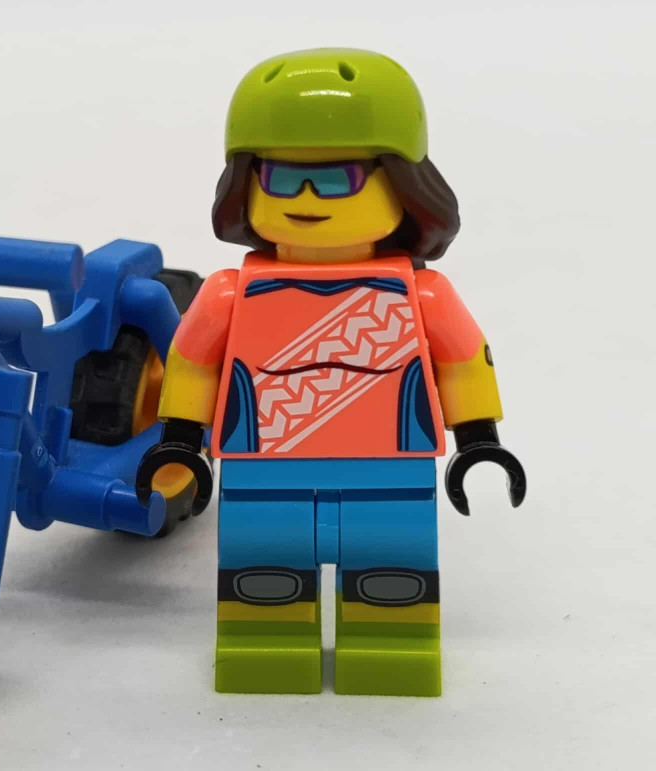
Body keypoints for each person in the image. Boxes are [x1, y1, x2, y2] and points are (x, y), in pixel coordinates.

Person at [136, 48, 526, 696]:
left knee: (390, 572)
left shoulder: (422, 294)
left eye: (338, 178)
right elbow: (193, 363)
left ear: (404, 184)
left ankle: (392, 646)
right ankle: (263, 646)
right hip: (263, 463)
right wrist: (179, 439)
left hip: (390, 464)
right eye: (280, 178)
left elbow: (463, 361)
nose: (306, 198)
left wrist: (478, 439)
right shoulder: (230, 292)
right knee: (264, 574)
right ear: (245, 184)